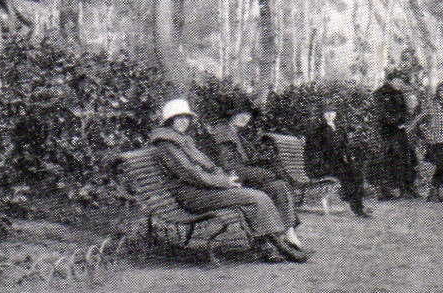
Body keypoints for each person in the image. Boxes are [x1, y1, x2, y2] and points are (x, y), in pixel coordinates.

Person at [148, 99, 308, 263]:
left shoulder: (183, 139)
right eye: (177, 118)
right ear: (169, 120)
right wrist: (224, 182)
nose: (183, 121)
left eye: (186, 117)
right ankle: (278, 245)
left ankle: (273, 244)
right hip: (190, 195)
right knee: (255, 197)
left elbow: (209, 165)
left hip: (204, 188)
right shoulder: (166, 144)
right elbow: (189, 173)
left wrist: (224, 178)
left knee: (255, 195)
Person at [201, 96, 306, 249]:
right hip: (228, 183)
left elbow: (246, 161)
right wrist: (263, 174)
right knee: (276, 186)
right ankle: (277, 239)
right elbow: (230, 167)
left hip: (241, 181)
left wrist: (267, 166)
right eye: (240, 113)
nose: (245, 117)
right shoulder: (223, 134)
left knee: (278, 185)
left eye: (248, 114)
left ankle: (285, 235)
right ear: (231, 114)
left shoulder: (235, 133)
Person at [306, 105, 368, 217]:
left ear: (335, 114)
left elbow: (345, 147)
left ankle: (359, 205)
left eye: (332, 112)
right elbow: (315, 149)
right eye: (326, 112)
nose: (329, 115)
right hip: (326, 163)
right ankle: (357, 208)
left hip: (340, 162)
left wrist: (349, 160)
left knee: (357, 174)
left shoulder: (340, 129)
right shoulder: (319, 130)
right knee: (346, 177)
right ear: (323, 115)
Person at [370, 69, 417, 198]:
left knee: (405, 158)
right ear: (390, 80)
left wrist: (401, 120)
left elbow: (404, 111)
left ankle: (405, 188)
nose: (399, 84)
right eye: (397, 81)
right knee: (386, 160)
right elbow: (381, 114)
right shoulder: (380, 93)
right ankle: (384, 191)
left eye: (401, 82)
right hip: (385, 132)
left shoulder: (399, 93)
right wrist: (396, 121)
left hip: (399, 130)